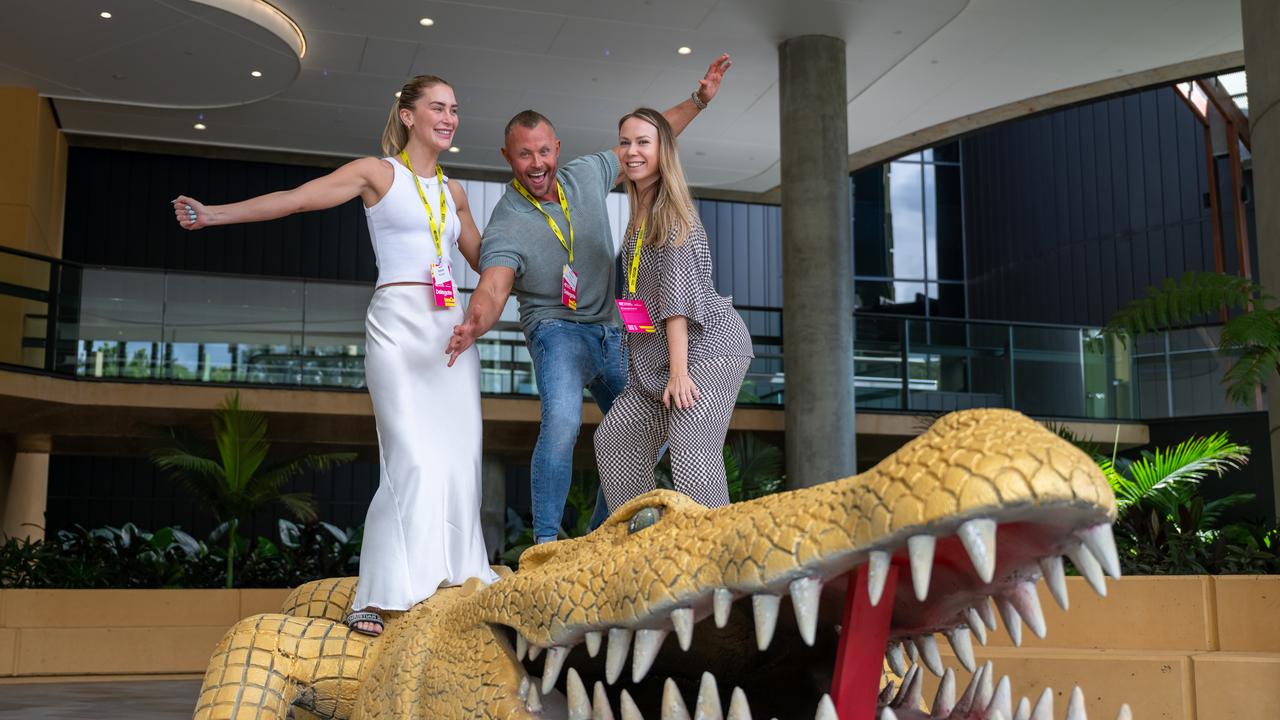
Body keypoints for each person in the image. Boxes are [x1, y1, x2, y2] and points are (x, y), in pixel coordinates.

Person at [170, 75, 498, 636]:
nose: (450, 118)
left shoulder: (456, 192)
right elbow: (296, 201)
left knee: (460, 457)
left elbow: (491, 260)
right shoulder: (376, 173)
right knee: (410, 457)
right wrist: (215, 214)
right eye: (438, 108)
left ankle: (458, 577)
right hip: (397, 323)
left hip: (450, 332)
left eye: (455, 109)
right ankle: (376, 595)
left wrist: (544, 257)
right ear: (409, 116)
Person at [446, 55, 732, 545]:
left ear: (556, 148)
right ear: (506, 157)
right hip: (557, 331)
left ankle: (602, 530)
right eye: (523, 155)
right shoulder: (508, 221)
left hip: (616, 330)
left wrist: (700, 100)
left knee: (636, 430)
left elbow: (648, 143)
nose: (536, 164)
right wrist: (476, 324)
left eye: (543, 151)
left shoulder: (585, 173)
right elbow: (493, 285)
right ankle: (546, 542)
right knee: (561, 424)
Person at [593, 108, 754, 512]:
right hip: (657, 359)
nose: (632, 151)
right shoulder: (638, 215)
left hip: (708, 348)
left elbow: (676, 300)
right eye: (625, 141)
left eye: (643, 142)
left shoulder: (672, 213)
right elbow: (640, 305)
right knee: (616, 437)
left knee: (690, 449)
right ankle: (640, 545)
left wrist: (680, 373)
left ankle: (710, 558)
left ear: (663, 151)